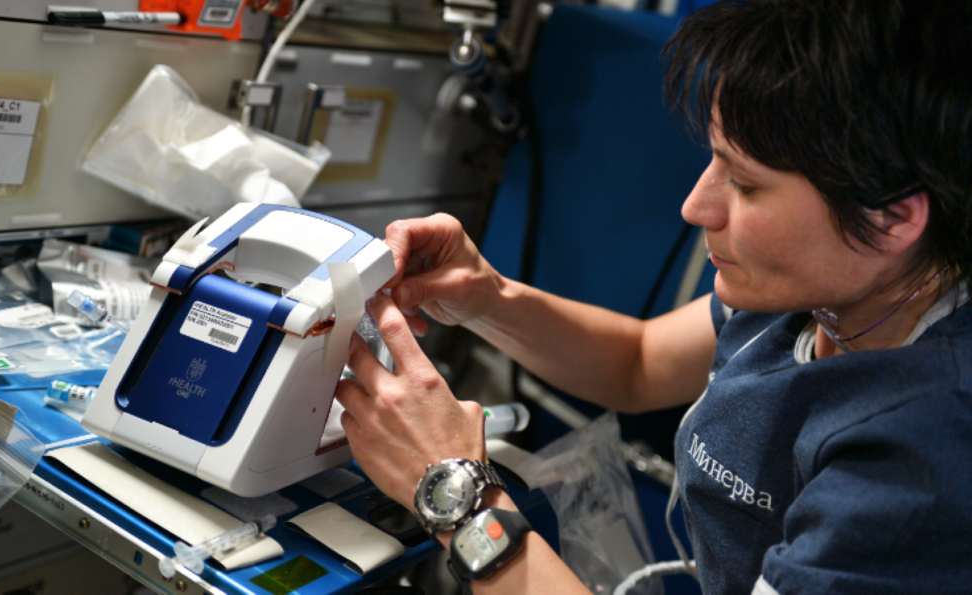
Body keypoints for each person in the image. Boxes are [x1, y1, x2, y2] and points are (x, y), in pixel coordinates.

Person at [335, 1, 972, 593]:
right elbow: (637, 364)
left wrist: (455, 491)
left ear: (891, 219)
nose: (697, 206)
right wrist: (487, 297)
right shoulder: (830, 292)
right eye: (714, 161)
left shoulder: (923, 464)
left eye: (746, 186)